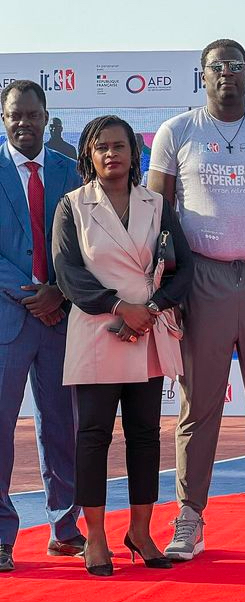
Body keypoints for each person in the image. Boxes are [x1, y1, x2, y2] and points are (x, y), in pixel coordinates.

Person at [148, 38, 245, 560]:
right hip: (202, 280)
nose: (226, 75)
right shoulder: (177, 132)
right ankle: (189, 517)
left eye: (235, 67)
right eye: (216, 67)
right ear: (202, 75)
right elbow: (158, 217)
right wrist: (169, 289)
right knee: (199, 405)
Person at [53, 115, 193, 576]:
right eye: (102, 147)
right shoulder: (72, 205)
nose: (112, 154)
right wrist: (120, 307)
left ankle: (140, 531)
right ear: (88, 156)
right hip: (98, 330)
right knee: (92, 437)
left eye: (120, 146)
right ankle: (95, 537)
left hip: (149, 329)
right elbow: (69, 273)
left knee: (145, 437)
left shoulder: (156, 203)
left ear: (135, 153)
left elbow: (182, 267)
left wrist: (149, 309)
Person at [0, 80, 84, 573]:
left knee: (61, 427)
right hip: (10, 319)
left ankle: (65, 528)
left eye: (33, 114)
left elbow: (84, 245)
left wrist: (59, 290)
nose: (25, 123)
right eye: (16, 115)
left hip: (61, 320)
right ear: (4, 118)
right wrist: (34, 293)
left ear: (46, 115)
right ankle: (1, 537)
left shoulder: (69, 172)